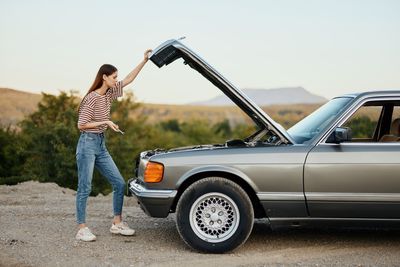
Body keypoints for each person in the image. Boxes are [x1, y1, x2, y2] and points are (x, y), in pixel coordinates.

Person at [75, 49, 152, 241]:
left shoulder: (109, 93)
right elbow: (81, 124)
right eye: (114, 77)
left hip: (100, 144)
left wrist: (144, 61)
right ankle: (81, 228)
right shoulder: (92, 97)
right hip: (87, 144)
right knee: (85, 187)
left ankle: (117, 223)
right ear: (104, 77)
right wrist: (107, 122)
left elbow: (128, 79)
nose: (117, 80)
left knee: (118, 183)